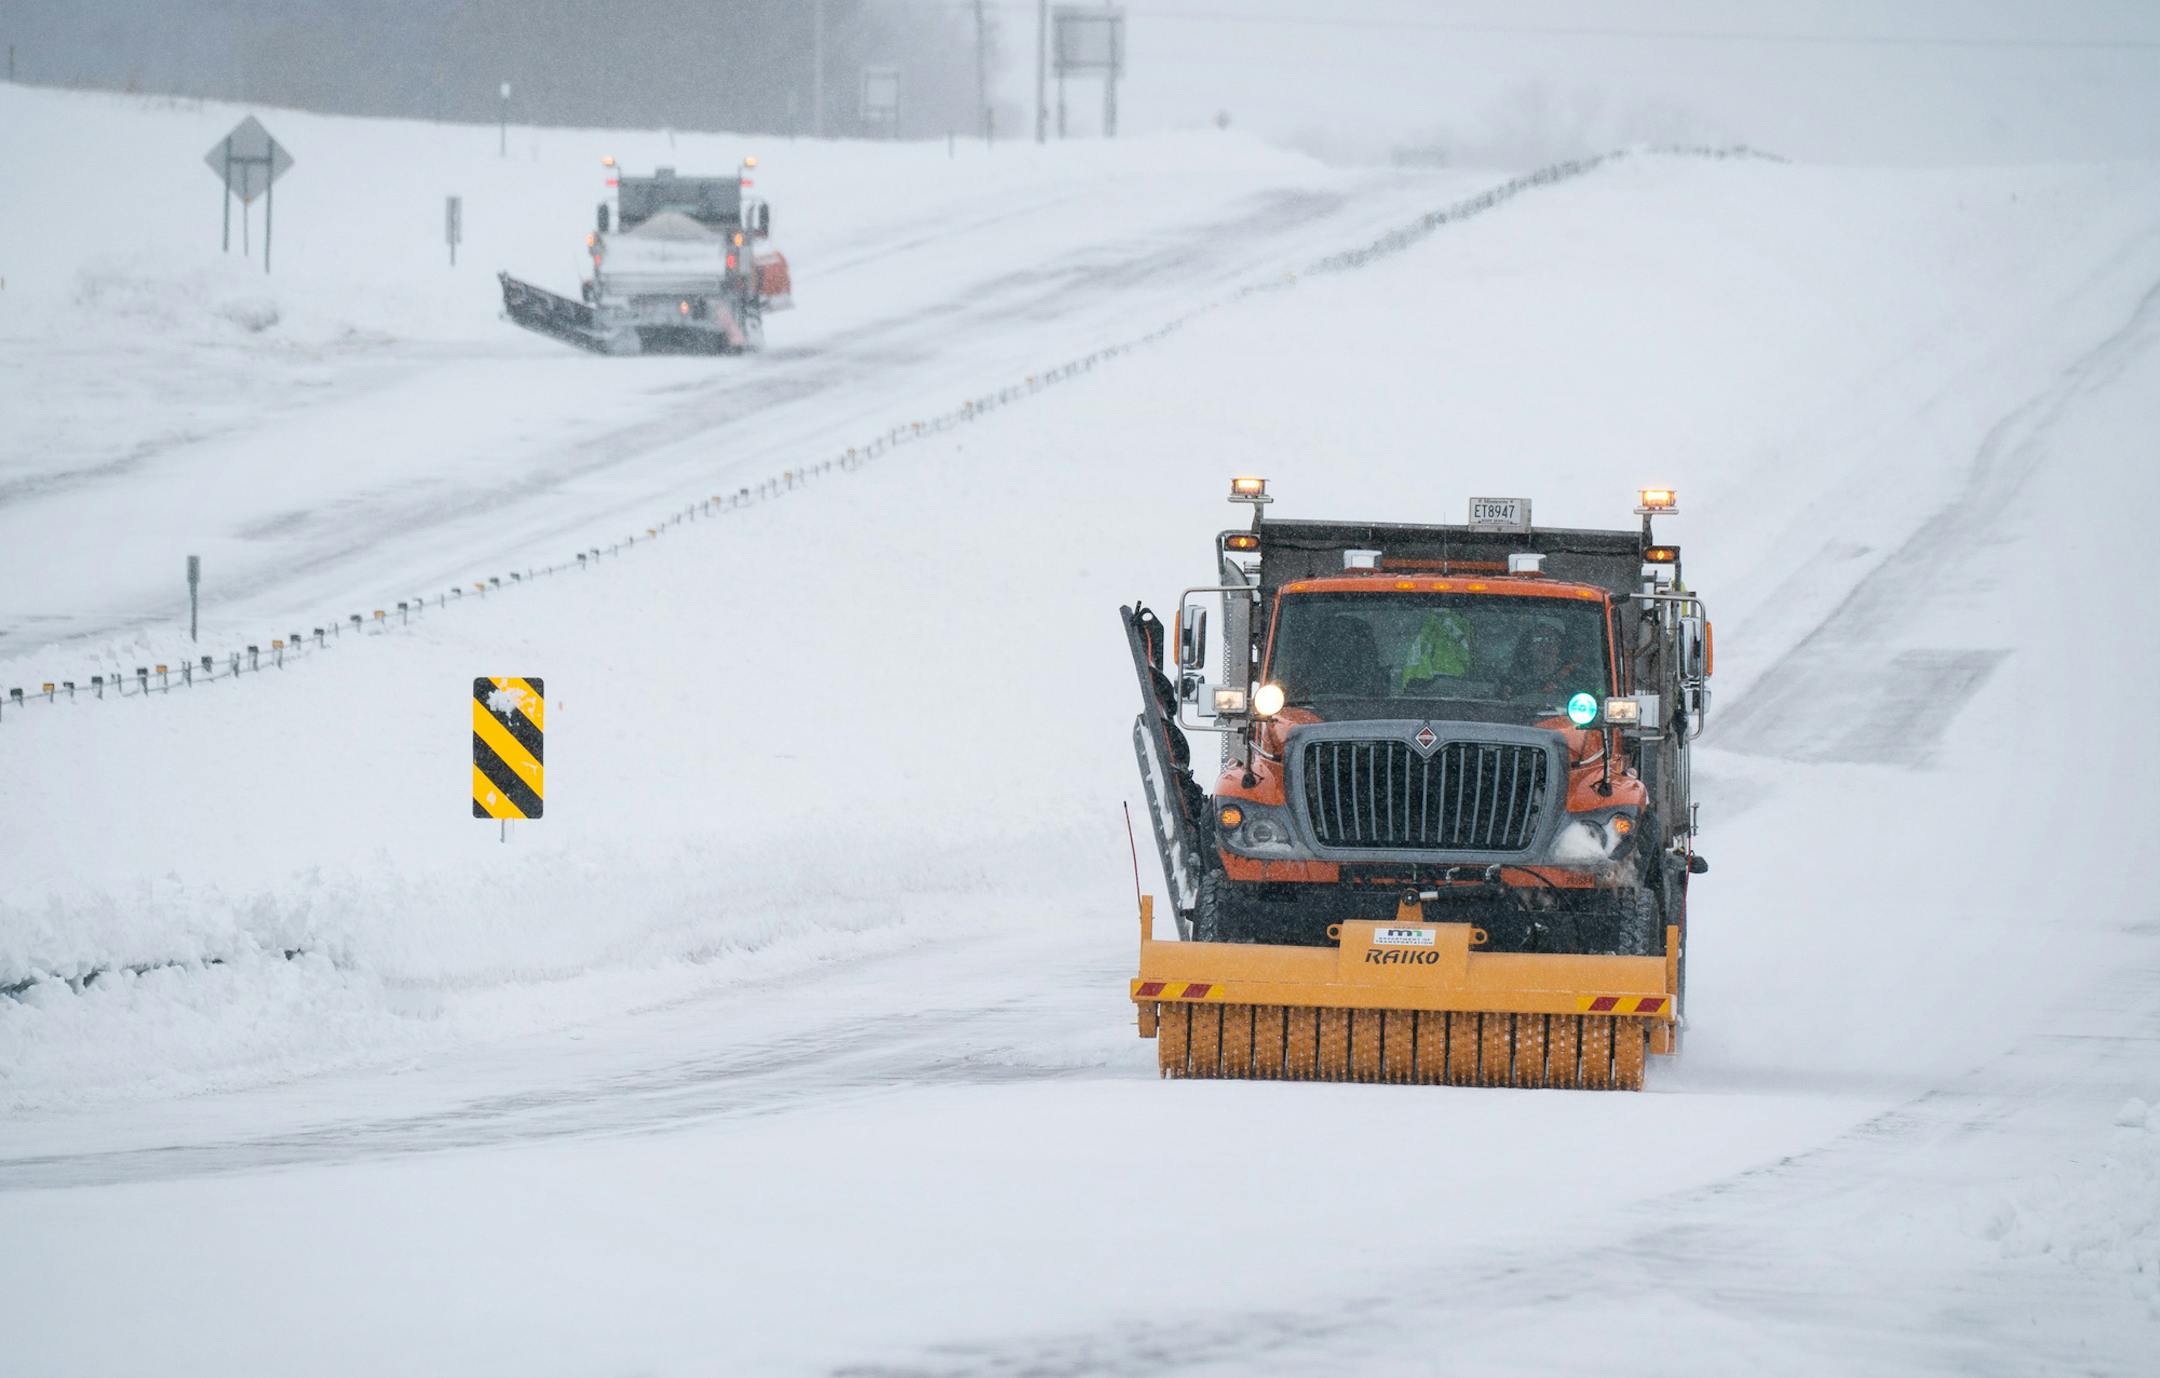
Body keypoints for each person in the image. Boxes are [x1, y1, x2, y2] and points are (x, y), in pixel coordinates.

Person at [1397, 608, 1474, 692]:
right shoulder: (1421, 628)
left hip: (1429, 691)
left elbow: (1411, 667)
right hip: (1451, 691)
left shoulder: (1422, 629)